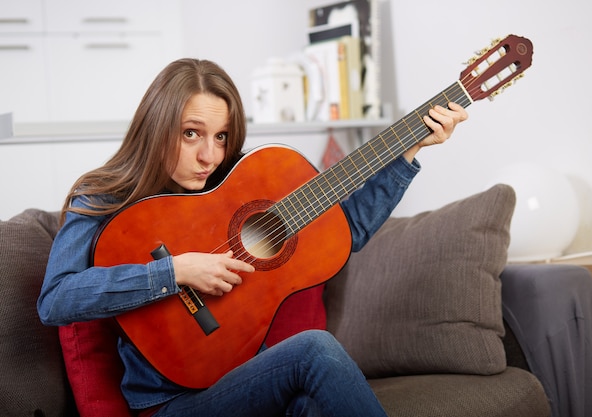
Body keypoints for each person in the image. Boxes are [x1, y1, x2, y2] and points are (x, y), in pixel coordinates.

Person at [37, 58, 468, 416]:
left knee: (313, 409)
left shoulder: (235, 185)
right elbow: (56, 300)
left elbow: (344, 232)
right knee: (316, 350)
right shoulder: (101, 195)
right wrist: (175, 271)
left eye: (221, 137)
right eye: (192, 134)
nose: (209, 155)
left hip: (244, 384)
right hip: (169, 404)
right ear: (156, 125)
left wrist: (409, 152)